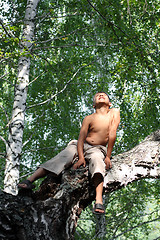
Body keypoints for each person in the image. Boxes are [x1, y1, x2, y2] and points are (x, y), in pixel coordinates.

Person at [18, 92, 120, 215]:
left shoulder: (113, 112)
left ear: (110, 103)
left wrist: (108, 156)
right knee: (62, 157)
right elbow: (81, 138)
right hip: (80, 145)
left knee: (98, 162)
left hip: (97, 148)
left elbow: (113, 133)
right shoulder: (89, 118)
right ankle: (30, 180)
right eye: (97, 96)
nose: (100, 96)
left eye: (104, 95)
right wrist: (81, 157)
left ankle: (99, 201)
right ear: (93, 105)